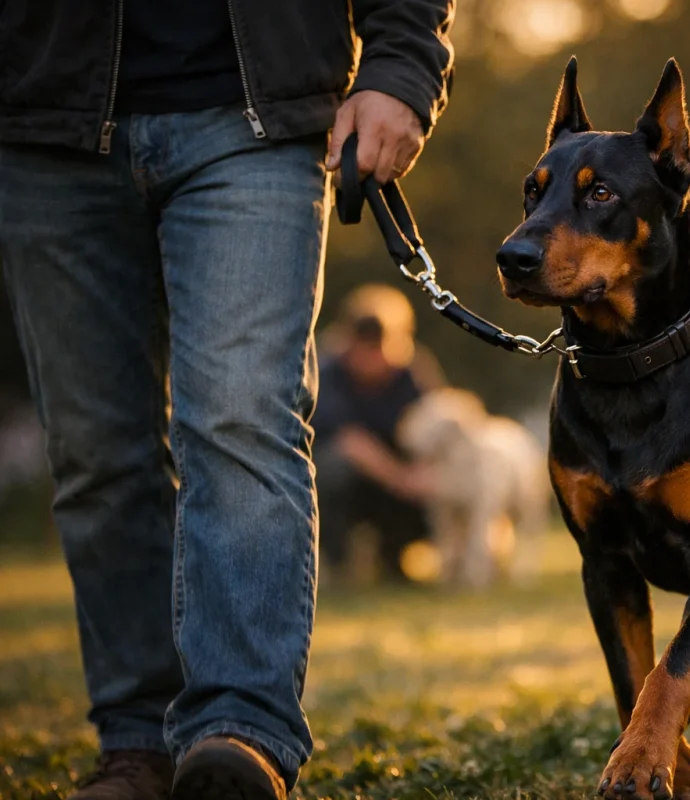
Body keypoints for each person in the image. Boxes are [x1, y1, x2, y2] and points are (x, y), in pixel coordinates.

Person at [0, 2, 454, 798]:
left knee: (242, 419)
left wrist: (400, 68)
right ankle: (137, 744)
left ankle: (239, 733)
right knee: (95, 453)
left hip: (253, 114)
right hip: (44, 127)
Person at [313, 285, 443, 583]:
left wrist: (425, 472)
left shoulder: (410, 370)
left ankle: (396, 556)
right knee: (334, 470)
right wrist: (403, 479)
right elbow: (350, 443)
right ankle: (338, 561)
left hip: (397, 479)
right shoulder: (327, 371)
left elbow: (435, 426)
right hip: (353, 481)